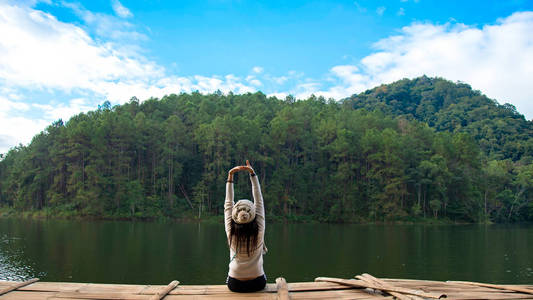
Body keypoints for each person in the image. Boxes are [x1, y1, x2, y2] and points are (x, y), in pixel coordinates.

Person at [224, 160, 266, 293]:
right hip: (257, 283)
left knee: (229, 278)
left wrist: (230, 176)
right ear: (253, 214)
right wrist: (252, 174)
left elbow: (228, 203)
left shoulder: (230, 231)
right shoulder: (259, 228)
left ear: (234, 216)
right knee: (263, 276)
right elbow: (259, 200)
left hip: (235, 284)